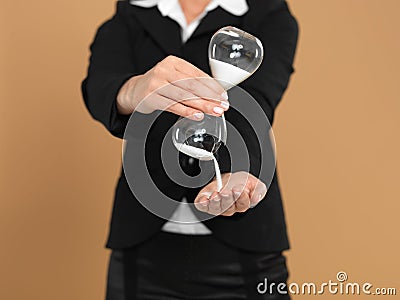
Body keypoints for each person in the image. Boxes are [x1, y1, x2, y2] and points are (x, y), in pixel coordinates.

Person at [81, 0, 298, 299]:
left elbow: (257, 103)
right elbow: (100, 84)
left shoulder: (267, 14)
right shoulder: (133, 12)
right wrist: (134, 89)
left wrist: (242, 169)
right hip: (142, 241)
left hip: (244, 249)